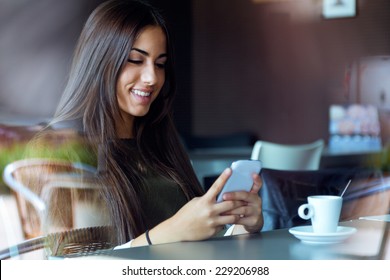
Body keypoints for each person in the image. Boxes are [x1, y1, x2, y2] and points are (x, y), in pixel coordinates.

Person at [32, 0, 263, 248]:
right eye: (135, 60)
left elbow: (200, 241)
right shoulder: (60, 149)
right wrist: (169, 232)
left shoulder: (160, 139)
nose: (152, 78)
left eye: (160, 64)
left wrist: (242, 224)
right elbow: (69, 265)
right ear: (100, 61)